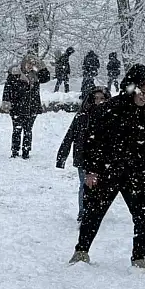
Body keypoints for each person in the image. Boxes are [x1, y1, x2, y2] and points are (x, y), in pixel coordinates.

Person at [70, 64, 145, 274]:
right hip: (107, 171)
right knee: (94, 212)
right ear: (133, 87)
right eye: (144, 91)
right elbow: (92, 142)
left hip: (137, 173)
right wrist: (92, 170)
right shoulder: (109, 109)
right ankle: (81, 251)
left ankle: (141, 256)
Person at [57, 86, 108, 222]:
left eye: (102, 98)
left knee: (100, 186)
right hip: (83, 156)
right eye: (96, 98)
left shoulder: (110, 116)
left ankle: (95, 209)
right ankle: (83, 211)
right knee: (85, 185)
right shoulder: (82, 116)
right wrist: (62, 157)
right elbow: (70, 136)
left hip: (103, 158)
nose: (99, 101)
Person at [1, 52, 51, 159]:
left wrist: (41, 65)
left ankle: (26, 151)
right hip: (17, 108)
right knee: (17, 129)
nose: (30, 66)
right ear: (24, 63)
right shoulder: (15, 74)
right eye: (29, 63)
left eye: (33, 64)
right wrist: (6, 101)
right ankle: (15, 151)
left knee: (28, 130)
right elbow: (7, 89)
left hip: (32, 108)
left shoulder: (36, 75)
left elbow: (46, 78)